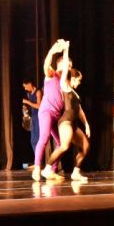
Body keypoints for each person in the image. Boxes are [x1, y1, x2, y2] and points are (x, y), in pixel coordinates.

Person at [41, 42, 91, 182]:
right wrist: (66, 49)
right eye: (78, 80)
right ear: (73, 78)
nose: (79, 83)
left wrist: (86, 123)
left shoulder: (75, 93)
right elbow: (63, 75)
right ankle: (47, 168)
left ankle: (76, 172)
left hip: (74, 124)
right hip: (66, 122)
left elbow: (79, 109)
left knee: (86, 146)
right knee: (64, 146)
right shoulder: (65, 86)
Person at [32, 39, 71, 181]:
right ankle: (37, 168)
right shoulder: (52, 74)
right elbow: (46, 64)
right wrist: (53, 51)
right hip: (47, 112)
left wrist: (66, 51)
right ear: (59, 65)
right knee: (45, 137)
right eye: (66, 64)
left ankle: (51, 170)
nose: (67, 67)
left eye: (69, 65)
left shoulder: (64, 81)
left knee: (62, 143)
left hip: (57, 116)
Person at [22, 78, 42, 155]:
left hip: (38, 118)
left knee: (37, 139)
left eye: (25, 86)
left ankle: (40, 160)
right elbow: (32, 106)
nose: (25, 88)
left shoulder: (38, 92)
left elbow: (39, 106)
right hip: (32, 118)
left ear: (30, 84)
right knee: (33, 140)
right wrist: (26, 108)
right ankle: (37, 160)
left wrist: (27, 101)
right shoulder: (28, 94)